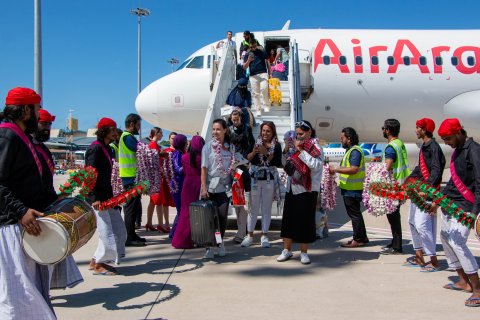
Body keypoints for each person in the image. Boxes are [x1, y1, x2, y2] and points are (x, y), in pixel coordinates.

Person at [0, 87, 56, 319]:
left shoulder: (20, 136)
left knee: (30, 295)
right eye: (36, 109)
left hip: (25, 226)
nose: (38, 113)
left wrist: (55, 202)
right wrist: (21, 210)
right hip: (12, 226)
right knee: (18, 297)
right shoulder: (7, 135)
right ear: (25, 110)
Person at [431, 118, 480, 307]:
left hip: (467, 206)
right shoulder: (458, 151)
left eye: (448, 138)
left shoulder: (474, 151)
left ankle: (477, 288)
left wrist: (474, 212)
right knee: (444, 237)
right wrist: (439, 201)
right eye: (444, 139)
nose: (446, 143)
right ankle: (463, 281)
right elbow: (453, 180)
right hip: (452, 204)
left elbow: (479, 183)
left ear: (459, 133)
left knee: (457, 242)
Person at [33, 109, 84, 290]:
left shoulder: (43, 149)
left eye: (49, 125)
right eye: (44, 124)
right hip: (30, 212)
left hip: (45, 207)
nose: (47, 128)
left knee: (50, 257)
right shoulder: (28, 148)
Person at [278, 120, 323, 264]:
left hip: (307, 190)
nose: (299, 137)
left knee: (305, 222)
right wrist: (286, 150)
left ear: (309, 132)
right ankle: (287, 250)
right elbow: (284, 164)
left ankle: (304, 253)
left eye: (301, 134)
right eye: (297, 134)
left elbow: (316, 166)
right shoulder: (295, 145)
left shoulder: (315, 147)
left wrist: (301, 151)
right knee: (288, 220)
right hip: (292, 187)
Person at [86, 118, 127, 275]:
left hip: (108, 197)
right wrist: (94, 197)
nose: (115, 132)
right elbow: (89, 174)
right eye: (112, 130)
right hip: (98, 199)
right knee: (106, 231)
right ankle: (99, 264)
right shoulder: (95, 149)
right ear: (104, 131)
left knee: (119, 230)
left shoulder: (108, 148)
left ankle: (95, 259)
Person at [406, 118, 445, 271]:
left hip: (427, 194)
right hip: (418, 191)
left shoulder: (434, 147)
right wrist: (408, 181)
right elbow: (419, 168)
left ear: (424, 130)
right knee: (412, 222)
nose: (416, 130)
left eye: (417, 128)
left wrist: (427, 189)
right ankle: (419, 256)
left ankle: (433, 260)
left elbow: (436, 171)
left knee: (423, 225)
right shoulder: (424, 146)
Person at [242, 121, 282, 248]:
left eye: (268, 131)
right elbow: (246, 158)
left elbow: (277, 162)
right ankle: (249, 236)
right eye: (263, 130)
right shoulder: (255, 143)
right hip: (255, 179)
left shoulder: (277, 146)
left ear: (273, 132)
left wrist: (266, 153)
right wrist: (254, 152)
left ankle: (264, 235)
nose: (265, 133)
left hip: (268, 179)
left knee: (266, 208)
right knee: (252, 208)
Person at [329, 127, 369, 247]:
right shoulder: (351, 150)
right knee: (356, 214)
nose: (341, 141)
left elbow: (353, 169)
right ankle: (362, 237)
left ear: (349, 138)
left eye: (342, 138)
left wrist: (335, 168)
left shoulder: (355, 151)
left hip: (352, 189)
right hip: (350, 188)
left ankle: (358, 239)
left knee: (354, 215)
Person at [201, 119, 235, 259]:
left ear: (225, 130)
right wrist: (203, 188)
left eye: (218, 129)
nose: (215, 132)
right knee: (210, 220)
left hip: (224, 189)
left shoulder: (230, 147)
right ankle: (209, 247)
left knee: (221, 219)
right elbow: (204, 169)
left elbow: (232, 167)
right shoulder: (207, 147)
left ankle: (220, 243)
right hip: (210, 189)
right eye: (213, 129)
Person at [380, 119, 410, 255]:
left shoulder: (391, 146)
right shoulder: (400, 143)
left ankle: (397, 246)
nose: (383, 131)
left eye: (383, 128)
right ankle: (395, 241)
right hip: (401, 183)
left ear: (388, 130)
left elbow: (387, 166)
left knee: (393, 216)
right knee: (394, 215)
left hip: (393, 185)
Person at [172, 136, 205, 249]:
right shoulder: (202, 158)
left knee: (185, 213)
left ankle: (180, 239)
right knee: (197, 213)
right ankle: (195, 237)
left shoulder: (185, 157)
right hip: (198, 185)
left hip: (187, 185)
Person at [119, 113, 145, 246]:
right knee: (130, 209)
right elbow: (141, 150)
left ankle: (132, 234)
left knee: (134, 208)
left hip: (133, 177)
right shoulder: (128, 138)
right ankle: (128, 237)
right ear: (131, 124)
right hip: (130, 178)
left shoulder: (129, 137)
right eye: (138, 125)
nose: (139, 128)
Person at [228, 110, 254, 243]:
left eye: (237, 119)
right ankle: (241, 231)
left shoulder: (247, 129)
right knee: (236, 201)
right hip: (233, 169)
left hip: (243, 168)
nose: (235, 121)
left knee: (243, 201)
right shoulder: (229, 130)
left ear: (241, 119)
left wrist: (245, 160)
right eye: (233, 119)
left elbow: (251, 145)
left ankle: (242, 232)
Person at [243, 40, 271, 117]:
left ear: (256, 45)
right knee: (255, 94)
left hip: (263, 73)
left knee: (264, 88)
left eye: (254, 46)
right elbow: (244, 67)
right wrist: (248, 60)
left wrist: (270, 72)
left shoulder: (262, 52)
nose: (253, 48)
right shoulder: (247, 54)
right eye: (251, 47)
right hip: (253, 75)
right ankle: (258, 109)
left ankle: (266, 105)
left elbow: (267, 61)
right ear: (249, 47)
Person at [169, 134, 188, 238]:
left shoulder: (179, 153)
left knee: (180, 211)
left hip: (179, 184)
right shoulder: (177, 154)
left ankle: (174, 233)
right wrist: (189, 166)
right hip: (177, 185)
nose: (186, 143)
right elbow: (178, 169)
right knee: (181, 211)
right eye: (185, 141)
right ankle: (176, 234)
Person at [145, 127, 164, 231]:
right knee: (158, 201)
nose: (162, 135)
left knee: (153, 201)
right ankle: (160, 224)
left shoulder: (154, 145)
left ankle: (149, 222)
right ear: (156, 133)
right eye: (161, 133)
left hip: (154, 177)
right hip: (155, 177)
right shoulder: (153, 145)